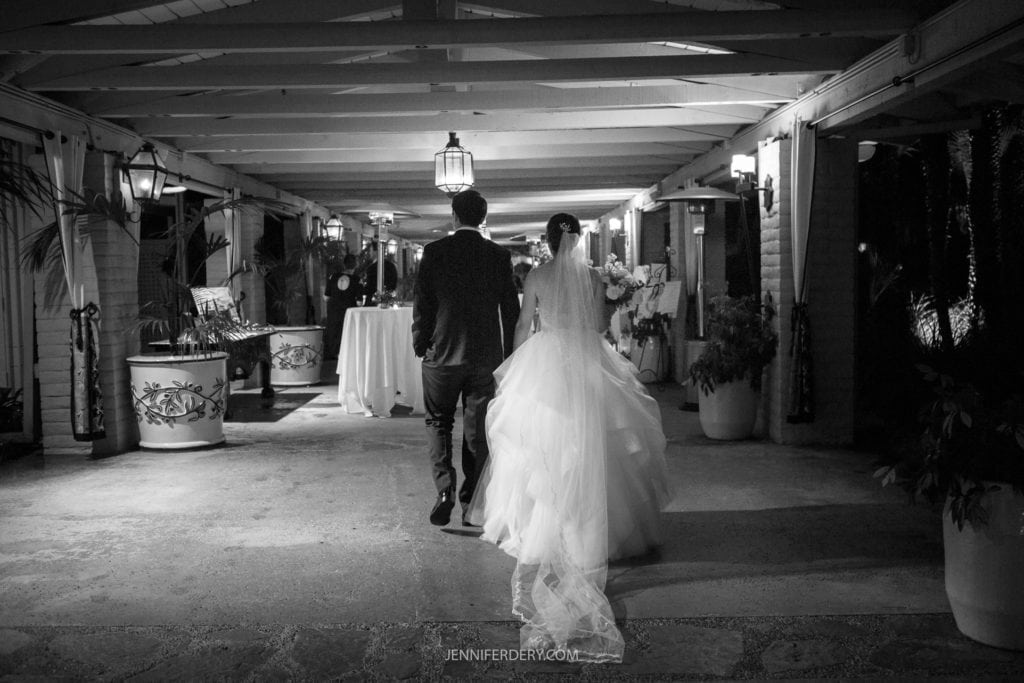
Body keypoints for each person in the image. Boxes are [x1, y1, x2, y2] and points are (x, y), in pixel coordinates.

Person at [466, 213, 670, 663]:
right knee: (596, 439)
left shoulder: (538, 274)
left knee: (540, 445)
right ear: (576, 239)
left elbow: (523, 323)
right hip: (585, 355)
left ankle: (543, 524)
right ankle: (601, 531)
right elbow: (598, 325)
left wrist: (516, 365)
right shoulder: (594, 275)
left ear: (547, 239)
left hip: (547, 356)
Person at [411, 189, 521, 528]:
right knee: (477, 430)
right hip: (484, 356)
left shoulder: (434, 252)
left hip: (441, 353)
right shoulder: (499, 256)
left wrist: (421, 343)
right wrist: (510, 355)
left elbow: (423, 303)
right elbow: (510, 309)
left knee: (438, 422)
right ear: (483, 218)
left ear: (454, 217)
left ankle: (444, 489)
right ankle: (471, 504)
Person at [323, 254, 361, 360]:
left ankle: (337, 355)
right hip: (348, 313)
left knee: (335, 335)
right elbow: (359, 303)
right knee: (347, 336)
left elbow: (325, 297)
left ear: (344, 264)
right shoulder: (357, 280)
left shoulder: (333, 277)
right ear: (355, 265)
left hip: (334, 312)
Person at [361, 241, 398, 305]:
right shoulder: (392, 266)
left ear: (376, 251)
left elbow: (370, 288)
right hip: (388, 301)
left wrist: (361, 287)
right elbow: (394, 284)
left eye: (370, 250)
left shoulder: (372, 268)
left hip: (373, 302)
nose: (369, 253)